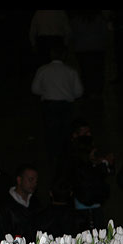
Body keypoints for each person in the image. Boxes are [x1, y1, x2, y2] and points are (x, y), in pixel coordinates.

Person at [31, 41, 84, 175]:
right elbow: (79, 92)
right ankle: (64, 158)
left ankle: (51, 159)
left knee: (50, 133)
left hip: (49, 106)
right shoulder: (70, 71)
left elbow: (35, 89)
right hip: (66, 106)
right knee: (65, 133)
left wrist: (46, 91)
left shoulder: (43, 70)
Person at [0, 164, 41, 243]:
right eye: (31, 179)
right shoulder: (4, 204)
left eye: (36, 180)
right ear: (19, 180)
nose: (34, 183)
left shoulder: (35, 203)